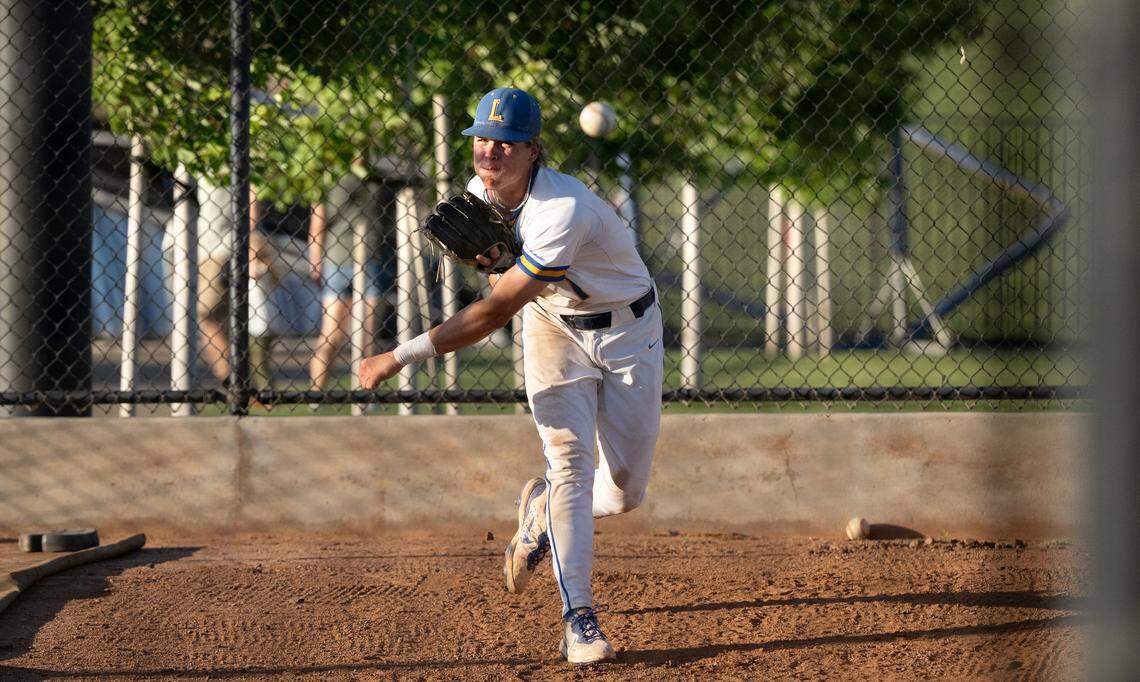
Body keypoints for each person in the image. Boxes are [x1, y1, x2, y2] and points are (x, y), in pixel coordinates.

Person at [360, 87, 663, 664]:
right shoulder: (483, 192)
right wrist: (496, 262)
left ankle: (543, 510)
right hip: (552, 326)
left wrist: (397, 357)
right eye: (481, 139)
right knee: (570, 463)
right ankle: (580, 619)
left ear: (533, 150)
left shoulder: (562, 208)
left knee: (624, 492)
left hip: (628, 331)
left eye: (506, 142)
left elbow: (495, 310)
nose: (490, 152)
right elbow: (512, 288)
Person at [307, 159, 395, 395]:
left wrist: (315, 262)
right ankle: (366, 394)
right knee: (366, 335)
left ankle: (316, 394)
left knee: (330, 334)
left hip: (337, 259)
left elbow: (318, 224)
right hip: (370, 257)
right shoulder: (379, 178)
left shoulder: (329, 177)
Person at [196, 180, 276, 393]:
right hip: (209, 249)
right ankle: (237, 380)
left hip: (217, 252)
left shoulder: (219, 160)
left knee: (207, 318)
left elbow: (253, 195)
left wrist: (248, 240)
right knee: (222, 321)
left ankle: (233, 382)